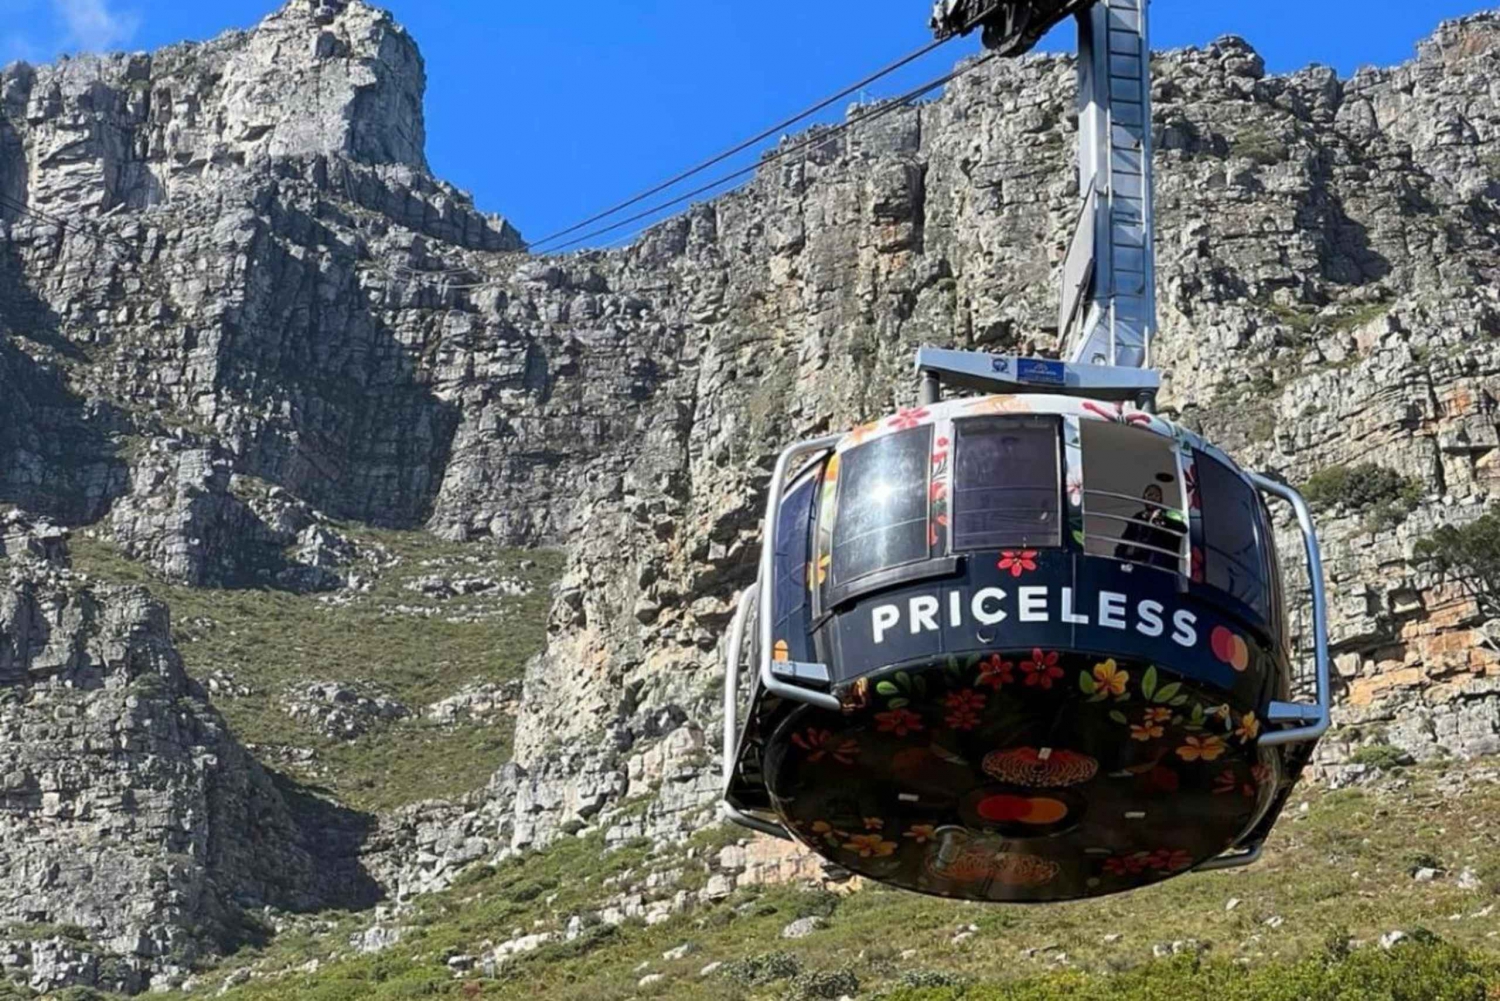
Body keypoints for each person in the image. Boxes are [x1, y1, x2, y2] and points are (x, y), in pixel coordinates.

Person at [1115, 484, 1186, 571]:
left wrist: (1164, 521)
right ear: (1144, 498)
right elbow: (1124, 540)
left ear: (1161, 499)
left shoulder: (1169, 514)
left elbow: (1182, 529)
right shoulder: (1138, 517)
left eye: (1156, 495)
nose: (1153, 498)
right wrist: (1118, 560)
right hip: (1139, 564)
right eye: (1150, 495)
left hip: (1161, 566)